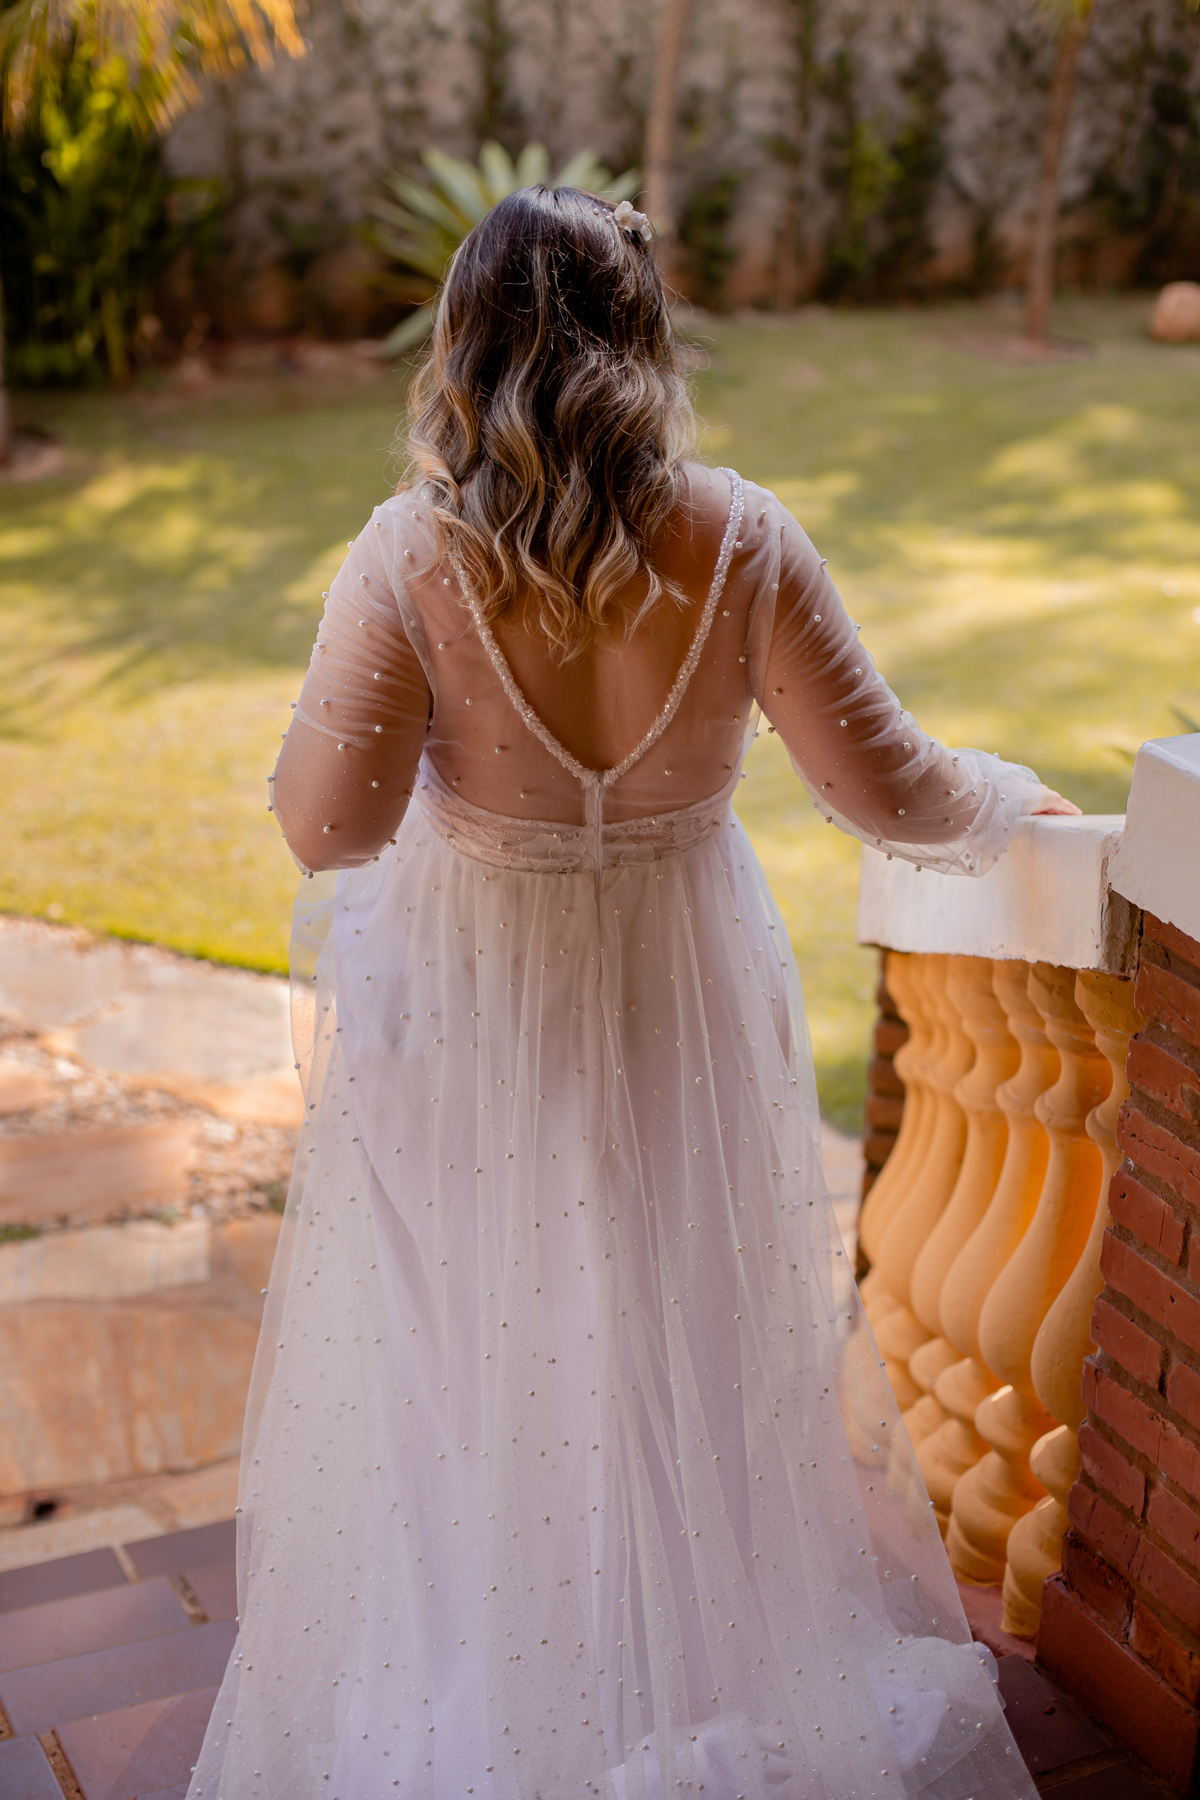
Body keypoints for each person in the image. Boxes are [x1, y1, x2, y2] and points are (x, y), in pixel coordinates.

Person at [188, 187, 1078, 1800]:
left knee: (482, 1345)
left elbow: (331, 828)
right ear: (641, 342)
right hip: (678, 979)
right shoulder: (741, 538)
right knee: (679, 1329)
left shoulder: (413, 550)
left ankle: (519, 1701)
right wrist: (1031, 807)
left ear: (464, 347)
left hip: (480, 996)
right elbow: (894, 789)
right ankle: (667, 1692)